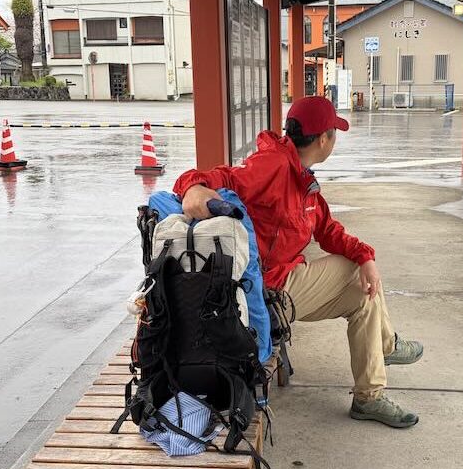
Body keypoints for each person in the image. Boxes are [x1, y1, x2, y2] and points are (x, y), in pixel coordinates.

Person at [173, 96, 423, 428]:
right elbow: (220, 178)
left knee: (363, 295)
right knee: (354, 272)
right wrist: (193, 187)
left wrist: (366, 254)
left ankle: (370, 392)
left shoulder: (302, 177)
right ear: (323, 140)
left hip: (284, 281)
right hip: (265, 292)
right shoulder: (274, 165)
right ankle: (385, 350)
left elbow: (327, 230)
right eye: (335, 133)